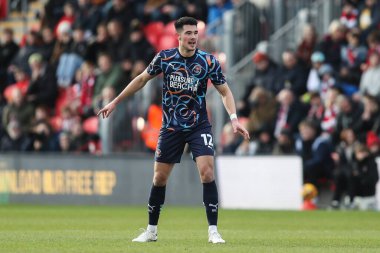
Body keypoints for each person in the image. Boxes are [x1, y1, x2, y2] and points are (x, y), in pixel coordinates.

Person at [97, 17, 250, 244]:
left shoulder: (208, 62)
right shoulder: (165, 58)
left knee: (207, 172)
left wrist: (234, 119)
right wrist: (115, 102)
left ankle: (213, 231)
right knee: (159, 178)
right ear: (178, 36)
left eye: (195, 33)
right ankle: (151, 230)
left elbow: (225, 92)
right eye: (188, 33)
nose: (193, 37)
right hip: (171, 127)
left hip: (199, 125)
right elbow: (140, 80)